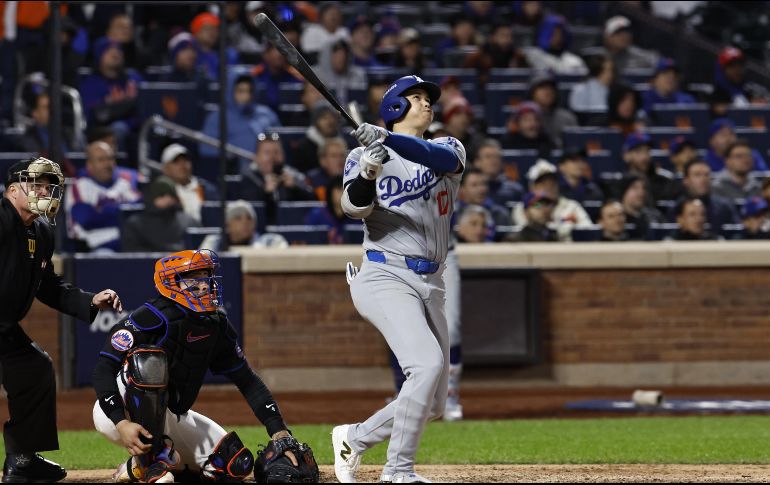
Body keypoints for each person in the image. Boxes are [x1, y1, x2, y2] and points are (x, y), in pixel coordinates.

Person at [334, 75, 466, 483]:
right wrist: (370, 167)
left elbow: (441, 161)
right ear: (394, 108)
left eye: (428, 98)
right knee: (424, 367)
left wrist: (387, 142)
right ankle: (397, 473)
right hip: (384, 274)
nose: (427, 104)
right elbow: (352, 208)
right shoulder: (363, 156)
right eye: (416, 98)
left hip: (433, 282)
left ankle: (354, 438)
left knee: (434, 401)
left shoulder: (448, 146)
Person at [91, 249, 313, 483]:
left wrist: (279, 431)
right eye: (194, 278)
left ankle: (140, 465)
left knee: (233, 464)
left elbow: (247, 380)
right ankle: (151, 463)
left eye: (206, 277)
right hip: (119, 413)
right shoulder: (148, 318)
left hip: (169, 414)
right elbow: (103, 369)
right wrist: (121, 422)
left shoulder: (215, 325)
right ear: (171, 284)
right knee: (149, 362)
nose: (204, 285)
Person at [1, 157, 122, 483]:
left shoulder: (41, 232)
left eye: (47, 185)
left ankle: (22, 460)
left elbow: (49, 287)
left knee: (35, 368)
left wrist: (89, 301)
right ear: (12, 191)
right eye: (36, 184)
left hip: (4, 328)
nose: (44, 190)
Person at [64, 141, 142, 252]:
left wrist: (104, 210)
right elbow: (87, 219)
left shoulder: (124, 183)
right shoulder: (79, 186)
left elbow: (141, 213)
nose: (107, 164)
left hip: (128, 244)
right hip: (92, 249)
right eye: (101, 160)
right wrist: (123, 213)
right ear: (89, 165)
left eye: (110, 159)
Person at [199, 75, 281, 158]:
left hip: (266, 168)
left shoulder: (267, 114)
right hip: (231, 169)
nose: (246, 96)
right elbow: (206, 149)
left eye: (250, 91)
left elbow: (279, 144)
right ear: (230, 91)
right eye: (240, 91)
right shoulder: (216, 119)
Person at [121, 176, 200, 253]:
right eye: (161, 194)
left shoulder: (189, 222)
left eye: (170, 194)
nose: (166, 198)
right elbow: (132, 253)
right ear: (151, 197)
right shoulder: (134, 224)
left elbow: (200, 249)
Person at [160, 143, 219, 223]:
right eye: (176, 161)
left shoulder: (207, 190)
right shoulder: (160, 192)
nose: (182, 165)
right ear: (165, 169)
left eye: (186, 160)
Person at [200, 199, 289, 251]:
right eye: (238, 218)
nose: (245, 222)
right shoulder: (213, 242)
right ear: (227, 225)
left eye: (249, 218)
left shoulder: (270, 242)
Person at [522, 14, 587, 74]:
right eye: (553, 34)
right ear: (544, 34)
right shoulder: (534, 56)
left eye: (560, 33)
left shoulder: (574, 61)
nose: (557, 37)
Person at [304, 177, 360, 245]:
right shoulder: (317, 214)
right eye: (339, 189)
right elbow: (307, 239)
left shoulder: (358, 215)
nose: (344, 193)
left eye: (347, 189)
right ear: (330, 192)